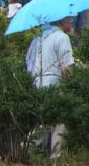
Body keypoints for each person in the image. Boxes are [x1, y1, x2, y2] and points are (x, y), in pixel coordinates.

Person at [26, 16, 75, 158]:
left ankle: (29, 149)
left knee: (42, 120)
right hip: (54, 84)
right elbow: (68, 67)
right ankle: (56, 155)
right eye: (69, 19)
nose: (71, 22)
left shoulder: (37, 39)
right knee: (59, 120)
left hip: (37, 84)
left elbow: (28, 62)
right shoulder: (62, 37)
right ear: (62, 21)